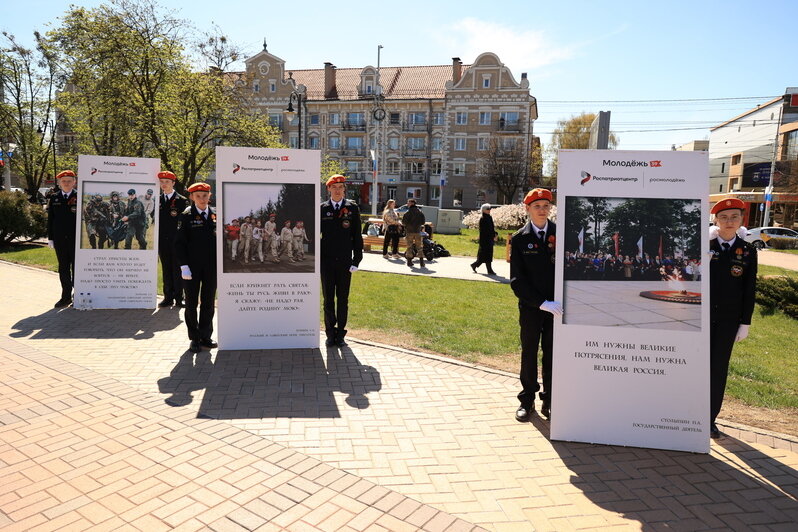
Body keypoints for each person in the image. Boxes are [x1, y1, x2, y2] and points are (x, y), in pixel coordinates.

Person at [510, 188, 563, 421]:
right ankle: (527, 400)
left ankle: (550, 400)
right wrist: (541, 303)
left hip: (558, 308)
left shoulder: (561, 234)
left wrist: (556, 303)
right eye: (537, 206)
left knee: (552, 354)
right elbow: (517, 281)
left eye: (545, 206)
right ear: (528, 209)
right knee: (529, 353)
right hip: (532, 308)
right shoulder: (520, 239)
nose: (542, 210)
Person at [708, 198, 757, 439]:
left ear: (741, 220)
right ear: (716, 219)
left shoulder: (748, 251)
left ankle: (709, 418)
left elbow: (749, 289)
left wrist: (744, 322)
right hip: (701, 318)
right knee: (695, 367)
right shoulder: (703, 245)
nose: (729, 222)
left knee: (718, 369)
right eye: (724, 217)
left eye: (734, 217)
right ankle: (688, 415)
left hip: (728, 320)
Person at [175, 182, 218, 353]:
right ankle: (194, 338)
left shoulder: (216, 214)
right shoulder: (185, 216)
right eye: (198, 196)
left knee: (208, 302)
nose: (202, 199)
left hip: (211, 267)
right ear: (192, 197)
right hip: (191, 268)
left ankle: (206, 335)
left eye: (205, 195)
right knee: (191, 303)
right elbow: (178, 244)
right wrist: (184, 266)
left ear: (210, 196)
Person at [320, 174, 363, 347]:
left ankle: (341, 334)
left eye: (340, 187)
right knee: (328, 299)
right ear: (328, 189)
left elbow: (357, 236)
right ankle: (330, 333)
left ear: (344, 189)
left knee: (343, 299)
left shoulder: (352, 208)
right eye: (334, 187)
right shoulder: (322, 209)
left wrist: (356, 259)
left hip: (345, 261)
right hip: (326, 261)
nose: (337, 190)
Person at [47, 170, 78, 308]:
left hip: (75, 239)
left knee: (77, 268)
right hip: (60, 239)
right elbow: (51, 219)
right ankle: (65, 297)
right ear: (59, 183)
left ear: (74, 182)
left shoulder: (80, 196)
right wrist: (51, 238)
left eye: (69, 181)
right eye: (63, 181)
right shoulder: (54, 198)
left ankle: (77, 296)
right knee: (63, 268)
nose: (66, 183)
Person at [157, 170, 188, 308]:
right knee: (166, 269)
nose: (164, 184)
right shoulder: (157, 200)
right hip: (162, 241)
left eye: (167, 182)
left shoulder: (182, 200)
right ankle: (167, 297)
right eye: (162, 182)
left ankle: (179, 298)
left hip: (177, 241)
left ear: (173, 183)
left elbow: (185, 223)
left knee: (177, 269)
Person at [471, 203, 497, 275]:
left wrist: (494, 233)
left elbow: (491, 227)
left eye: (490, 209)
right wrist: (491, 234)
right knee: (484, 255)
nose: (489, 210)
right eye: (488, 209)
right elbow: (484, 230)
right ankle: (476, 265)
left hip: (489, 239)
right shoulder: (482, 219)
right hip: (485, 239)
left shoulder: (489, 217)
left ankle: (488, 269)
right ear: (483, 210)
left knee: (488, 254)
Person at [402, 198, 425, 268]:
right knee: (419, 246)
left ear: (412, 203)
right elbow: (423, 222)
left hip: (409, 232)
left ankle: (409, 261)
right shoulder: (420, 212)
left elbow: (404, 222)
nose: (407, 204)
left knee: (409, 247)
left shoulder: (407, 213)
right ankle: (421, 262)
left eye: (408, 203)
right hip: (417, 231)